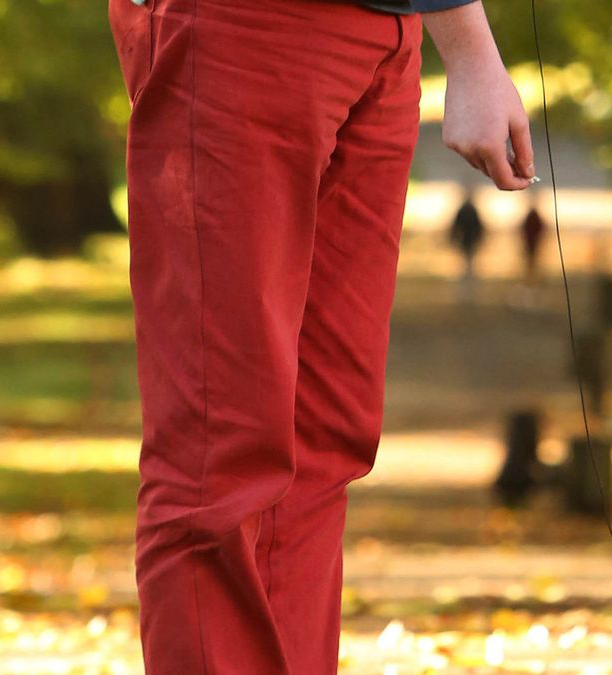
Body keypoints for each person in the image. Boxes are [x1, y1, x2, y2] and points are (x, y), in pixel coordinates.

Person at [106, 0, 535, 671]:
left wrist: (465, 40)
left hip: (386, 32)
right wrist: (471, 47)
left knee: (325, 439)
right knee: (221, 453)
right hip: (240, 23)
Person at [449, 186, 486, 299]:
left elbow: (456, 227)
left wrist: (454, 239)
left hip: (466, 242)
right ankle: (468, 292)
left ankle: (466, 292)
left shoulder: (465, 210)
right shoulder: (471, 210)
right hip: (469, 242)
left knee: (467, 267)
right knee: (469, 267)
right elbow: (479, 228)